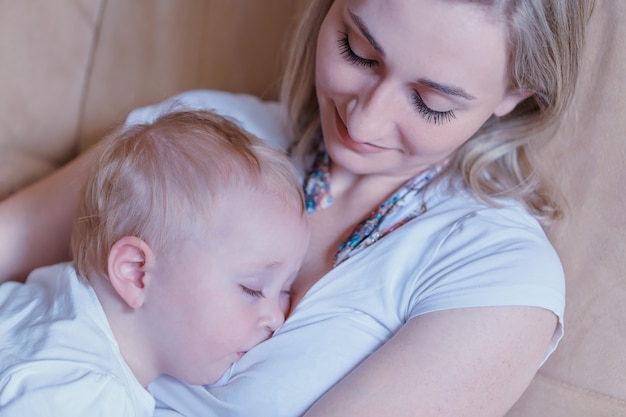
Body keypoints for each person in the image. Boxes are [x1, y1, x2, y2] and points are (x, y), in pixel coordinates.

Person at [0, 0, 595, 416]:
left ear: (516, 93)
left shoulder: (494, 274)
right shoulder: (199, 138)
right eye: (357, 50)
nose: (364, 120)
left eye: (430, 101)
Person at [0, 110, 310, 416]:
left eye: (286, 289)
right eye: (252, 288)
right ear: (136, 272)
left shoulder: (39, 298)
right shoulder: (87, 394)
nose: (276, 318)